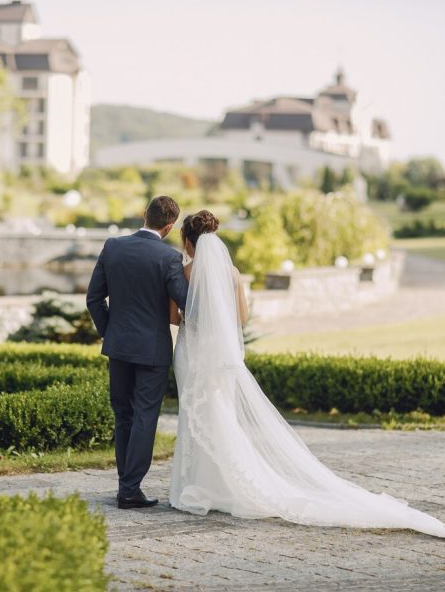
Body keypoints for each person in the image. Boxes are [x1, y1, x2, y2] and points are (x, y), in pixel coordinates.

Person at [169, 209, 445, 538]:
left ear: (188, 241)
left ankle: (202, 485)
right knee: (221, 413)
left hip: (193, 352)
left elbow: (176, 318)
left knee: (196, 413)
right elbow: (241, 317)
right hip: (221, 355)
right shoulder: (231, 273)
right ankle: (224, 484)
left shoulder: (183, 273)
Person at [87, 196, 189, 509]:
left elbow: (94, 299)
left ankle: (126, 486)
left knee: (123, 416)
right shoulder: (169, 258)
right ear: (169, 227)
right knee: (145, 416)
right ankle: (129, 489)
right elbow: (186, 301)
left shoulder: (112, 246)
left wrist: (110, 331)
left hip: (118, 348)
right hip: (152, 352)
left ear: (144, 214)